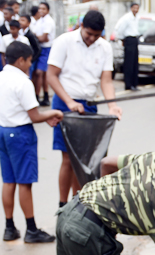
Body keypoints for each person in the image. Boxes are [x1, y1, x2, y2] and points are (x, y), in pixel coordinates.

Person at [47, 10, 122, 209]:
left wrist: (112, 106)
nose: (92, 38)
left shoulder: (104, 47)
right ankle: (63, 204)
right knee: (68, 159)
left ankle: (79, 202)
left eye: (96, 35)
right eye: (89, 34)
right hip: (65, 104)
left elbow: (106, 80)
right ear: (81, 26)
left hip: (89, 105)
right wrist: (70, 102)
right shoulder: (64, 41)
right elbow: (52, 76)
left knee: (86, 160)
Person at [0, 41, 63, 243]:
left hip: (3, 131)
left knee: (8, 181)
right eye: (30, 61)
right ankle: (31, 229)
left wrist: (43, 115)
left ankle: (9, 227)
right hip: (21, 133)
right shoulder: (23, 82)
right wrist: (53, 113)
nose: (30, 65)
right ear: (21, 59)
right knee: (24, 183)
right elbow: (34, 115)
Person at [33, 2, 55, 106]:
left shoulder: (48, 21)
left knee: (40, 72)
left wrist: (35, 36)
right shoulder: (39, 21)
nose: (41, 10)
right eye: (40, 9)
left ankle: (41, 96)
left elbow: (44, 38)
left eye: (43, 9)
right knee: (41, 74)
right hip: (40, 49)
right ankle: (42, 96)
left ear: (48, 10)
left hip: (46, 49)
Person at [115, 3, 140, 91]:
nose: (136, 10)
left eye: (137, 8)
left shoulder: (136, 17)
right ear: (131, 8)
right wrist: (122, 39)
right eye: (134, 8)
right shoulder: (126, 18)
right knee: (129, 63)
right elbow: (120, 29)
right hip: (129, 39)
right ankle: (128, 84)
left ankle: (134, 83)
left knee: (135, 63)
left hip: (135, 40)